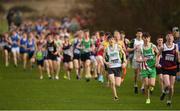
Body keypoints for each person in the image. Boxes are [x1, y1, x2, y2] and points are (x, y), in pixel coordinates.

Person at [136, 32, 159, 104]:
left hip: (152, 68)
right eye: (145, 38)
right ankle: (148, 98)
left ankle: (152, 87)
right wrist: (143, 60)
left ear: (149, 38)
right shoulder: (140, 48)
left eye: (147, 38)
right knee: (146, 84)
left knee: (152, 84)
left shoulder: (153, 46)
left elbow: (158, 55)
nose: (146, 39)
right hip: (144, 68)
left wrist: (157, 62)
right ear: (143, 38)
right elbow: (137, 59)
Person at [103, 35, 127, 100]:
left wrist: (124, 60)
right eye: (110, 40)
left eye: (112, 39)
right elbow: (103, 58)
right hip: (110, 67)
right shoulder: (106, 48)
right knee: (113, 83)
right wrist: (106, 63)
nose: (111, 41)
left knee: (117, 84)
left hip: (118, 67)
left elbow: (123, 53)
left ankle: (114, 83)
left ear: (114, 40)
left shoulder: (118, 46)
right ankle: (115, 96)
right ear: (108, 41)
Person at [159, 32, 179, 106]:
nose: (170, 38)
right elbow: (158, 55)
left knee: (171, 87)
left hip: (173, 68)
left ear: (173, 38)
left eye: (171, 36)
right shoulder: (163, 46)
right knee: (167, 85)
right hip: (165, 68)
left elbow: (177, 59)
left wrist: (177, 54)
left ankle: (169, 100)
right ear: (166, 38)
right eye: (168, 36)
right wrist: (157, 63)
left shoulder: (176, 46)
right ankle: (164, 92)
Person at [127, 28, 144, 94]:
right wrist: (134, 48)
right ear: (136, 34)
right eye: (138, 33)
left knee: (142, 73)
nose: (139, 34)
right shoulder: (133, 41)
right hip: (135, 59)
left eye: (140, 33)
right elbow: (128, 49)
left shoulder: (144, 41)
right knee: (136, 73)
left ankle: (142, 87)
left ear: (142, 34)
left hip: (142, 59)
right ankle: (135, 84)